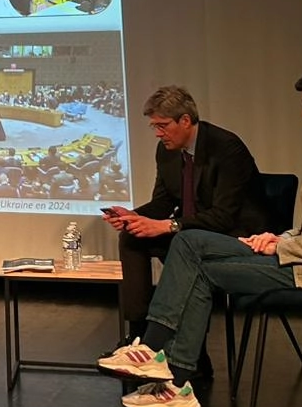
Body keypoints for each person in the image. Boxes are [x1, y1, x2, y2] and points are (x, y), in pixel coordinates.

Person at [99, 65, 302, 407]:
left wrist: (281, 245)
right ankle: (167, 370)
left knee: (192, 253)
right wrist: (278, 236)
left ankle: (161, 360)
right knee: (188, 244)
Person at [100, 85, 269, 375]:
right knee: (132, 237)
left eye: (163, 126)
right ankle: (138, 334)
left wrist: (169, 225)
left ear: (186, 121)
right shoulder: (167, 151)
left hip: (237, 236)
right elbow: (164, 202)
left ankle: (182, 352)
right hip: (191, 233)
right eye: (154, 127)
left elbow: (224, 217)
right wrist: (134, 216)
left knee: (184, 247)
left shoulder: (227, 149)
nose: (158, 133)